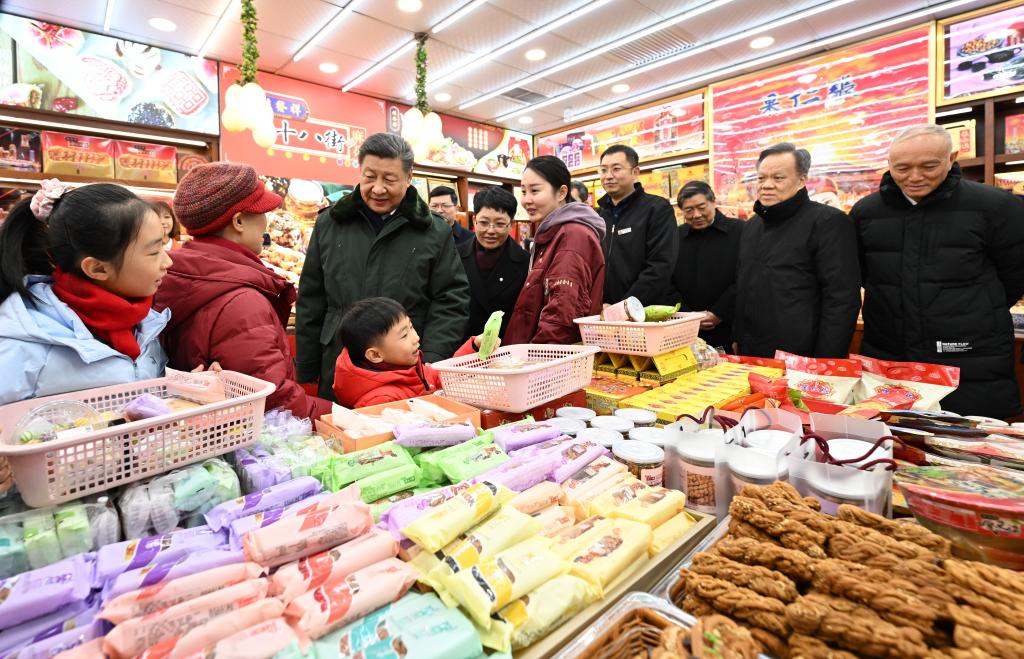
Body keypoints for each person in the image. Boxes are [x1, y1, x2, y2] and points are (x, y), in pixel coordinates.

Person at [851, 124, 1024, 418]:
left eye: (929, 166)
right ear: (889, 164)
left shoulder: (996, 206)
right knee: (890, 433)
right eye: (902, 168)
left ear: (951, 158)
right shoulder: (866, 212)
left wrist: (970, 309)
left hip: (970, 354)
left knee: (967, 435)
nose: (915, 176)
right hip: (889, 351)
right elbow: (866, 274)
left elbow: (1014, 275)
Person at [296, 133, 470, 399]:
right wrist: (307, 366)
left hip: (404, 371)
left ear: (409, 177)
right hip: (340, 365)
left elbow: (451, 300)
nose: (378, 189)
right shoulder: (330, 223)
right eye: (369, 177)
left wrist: (431, 358)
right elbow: (311, 299)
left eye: (389, 179)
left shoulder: (433, 231)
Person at [154, 163, 332, 420]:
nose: (266, 222)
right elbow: (274, 400)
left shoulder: (184, 273)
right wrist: (340, 416)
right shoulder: (241, 301)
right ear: (238, 221)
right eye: (262, 212)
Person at [0, 181, 171, 404]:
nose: (168, 262)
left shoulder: (144, 321)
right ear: (97, 268)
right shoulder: (24, 344)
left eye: (164, 246)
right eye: (154, 252)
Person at [734, 143, 860, 358]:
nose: (767, 185)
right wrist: (738, 336)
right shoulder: (752, 225)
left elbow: (841, 298)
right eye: (761, 178)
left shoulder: (828, 222)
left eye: (778, 178)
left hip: (802, 354)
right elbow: (743, 286)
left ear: (802, 180)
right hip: (752, 350)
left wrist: (826, 360)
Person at [504, 156, 606, 345]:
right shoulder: (554, 231)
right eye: (523, 191)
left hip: (548, 356)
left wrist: (537, 356)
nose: (526, 200)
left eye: (535, 190)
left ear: (561, 193)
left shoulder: (571, 235)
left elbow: (562, 313)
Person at [332, 297, 478, 408]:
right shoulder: (380, 401)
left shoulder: (410, 368)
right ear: (375, 355)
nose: (416, 337)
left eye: (411, 327)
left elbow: (445, 375)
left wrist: (475, 347)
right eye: (404, 335)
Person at [596, 145, 678, 305]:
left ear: (635, 172)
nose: (608, 176)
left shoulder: (657, 209)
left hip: (645, 310)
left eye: (616, 169)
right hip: (603, 311)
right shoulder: (597, 216)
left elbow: (660, 265)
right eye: (603, 170)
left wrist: (625, 307)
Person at [673, 181, 744, 351]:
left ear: (713, 201)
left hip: (730, 325)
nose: (696, 215)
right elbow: (666, 280)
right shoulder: (675, 236)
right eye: (689, 210)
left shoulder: (740, 231)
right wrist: (687, 315)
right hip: (685, 328)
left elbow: (745, 277)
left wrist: (719, 313)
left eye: (701, 207)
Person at [457, 186, 529, 341]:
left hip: (505, 348)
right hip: (462, 347)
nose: (491, 230)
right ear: (474, 220)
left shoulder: (525, 262)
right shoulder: (454, 256)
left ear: (511, 224)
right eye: (484, 222)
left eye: (500, 224)